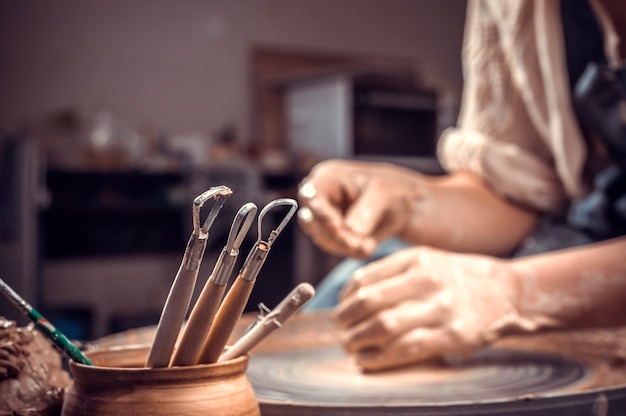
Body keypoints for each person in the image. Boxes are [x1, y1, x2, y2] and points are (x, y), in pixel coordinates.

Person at [296, 0, 626, 372]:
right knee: (367, 278)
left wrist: (512, 293)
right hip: (581, 234)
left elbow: (511, 290)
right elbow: (516, 194)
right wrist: (411, 199)